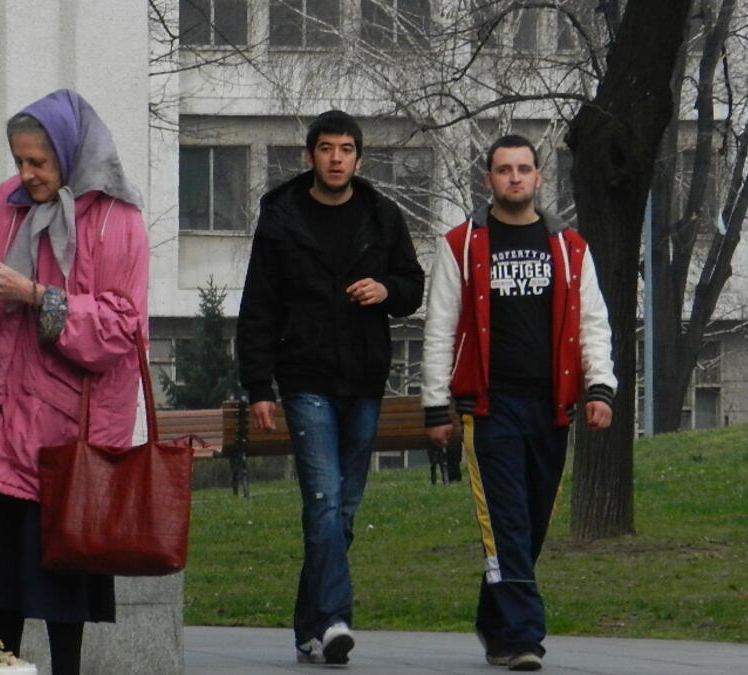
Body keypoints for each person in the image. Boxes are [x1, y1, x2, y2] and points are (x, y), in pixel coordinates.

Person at [0, 89, 148, 675]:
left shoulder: (117, 219)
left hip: (68, 436)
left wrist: (34, 295)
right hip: (5, 423)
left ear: (71, 154)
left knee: (62, 589)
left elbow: (122, 327)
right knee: (0, 586)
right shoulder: (4, 203)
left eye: (39, 162)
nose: (26, 174)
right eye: (19, 161)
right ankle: (0, 671)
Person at [421, 134, 616, 671]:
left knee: (530, 526)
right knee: (505, 521)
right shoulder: (461, 244)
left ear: (538, 177)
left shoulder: (570, 247)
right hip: (489, 408)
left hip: (551, 408)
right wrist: (436, 405)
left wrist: (600, 388)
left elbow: (593, 323)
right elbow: (440, 327)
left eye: (523, 169)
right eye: (504, 169)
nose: (514, 177)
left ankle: (495, 622)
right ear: (488, 179)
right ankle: (527, 636)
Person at [236, 110, 425, 665]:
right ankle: (337, 619)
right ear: (309, 156)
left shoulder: (382, 216)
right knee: (323, 499)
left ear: (359, 159)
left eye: (345, 149)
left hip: (364, 379)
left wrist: (385, 289)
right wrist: (259, 386)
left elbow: (412, 286)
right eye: (326, 148)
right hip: (304, 378)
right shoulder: (282, 218)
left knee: (342, 510)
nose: (336, 158)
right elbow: (259, 306)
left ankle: (309, 627)